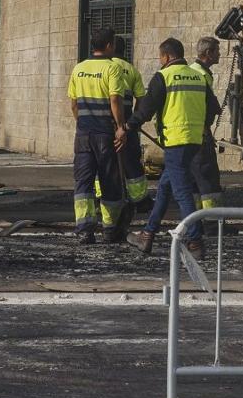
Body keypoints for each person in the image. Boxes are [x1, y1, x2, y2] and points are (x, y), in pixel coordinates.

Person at [120, 37, 218, 259]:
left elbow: (145, 109)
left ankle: (195, 242)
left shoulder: (163, 76)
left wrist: (127, 126)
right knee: (164, 188)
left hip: (175, 142)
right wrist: (202, 127)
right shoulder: (198, 76)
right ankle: (147, 234)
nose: (160, 61)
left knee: (182, 193)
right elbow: (213, 107)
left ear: (166, 56)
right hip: (194, 141)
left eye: (160, 57)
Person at [68, 27, 128, 244]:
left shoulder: (78, 69)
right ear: (110, 45)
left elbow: (74, 104)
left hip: (83, 133)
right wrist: (120, 127)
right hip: (105, 133)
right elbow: (115, 100)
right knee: (109, 180)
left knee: (83, 182)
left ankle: (84, 230)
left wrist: (83, 123)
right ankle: (110, 229)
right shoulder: (112, 69)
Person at [109, 36, 149, 212]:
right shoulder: (132, 70)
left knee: (106, 162)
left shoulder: (106, 67)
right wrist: (133, 121)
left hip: (106, 122)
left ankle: (103, 197)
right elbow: (140, 99)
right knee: (132, 161)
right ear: (124, 50)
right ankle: (139, 200)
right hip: (127, 122)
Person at [189, 36, 223, 213]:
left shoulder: (194, 70)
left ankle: (196, 218)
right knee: (208, 178)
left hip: (190, 134)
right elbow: (207, 107)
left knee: (194, 180)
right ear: (208, 53)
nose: (220, 54)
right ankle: (213, 222)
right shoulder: (200, 75)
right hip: (200, 134)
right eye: (217, 51)